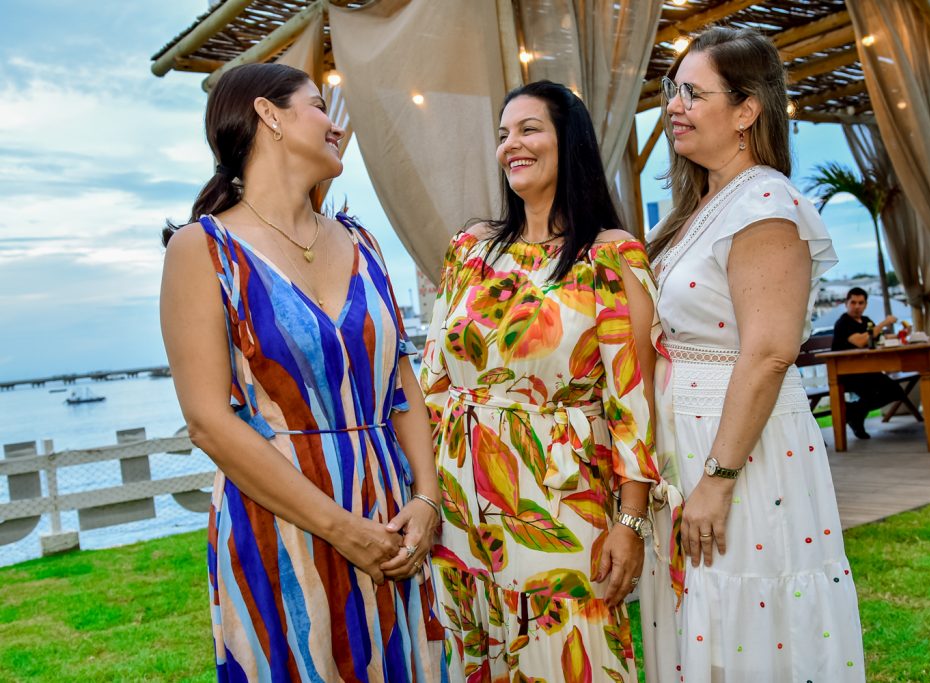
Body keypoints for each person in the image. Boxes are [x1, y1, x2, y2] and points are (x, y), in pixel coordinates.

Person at [160, 63, 445, 681]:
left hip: (391, 517)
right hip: (284, 521)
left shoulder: (363, 243)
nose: (336, 126)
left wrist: (426, 497)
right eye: (319, 106)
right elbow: (208, 422)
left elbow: (402, 387)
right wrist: (341, 529)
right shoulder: (201, 250)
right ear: (270, 115)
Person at [420, 80, 661, 682]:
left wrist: (628, 525)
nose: (512, 145)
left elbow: (634, 404)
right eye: (503, 134)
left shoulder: (610, 256)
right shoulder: (469, 251)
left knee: (568, 653)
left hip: (557, 501)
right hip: (459, 500)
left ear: (568, 142)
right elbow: (431, 380)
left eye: (529, 129)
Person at [645, 27, 865, 682]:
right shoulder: (703, 205)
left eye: (692, 92)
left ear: (746, 111)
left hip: (742, 453)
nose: (674, 106)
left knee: (745, 612)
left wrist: (718, 478)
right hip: (692, 442)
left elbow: (769, 352)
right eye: (671, 90)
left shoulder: (765, 205)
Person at [831, 287, 905, 439]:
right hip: (847, 373)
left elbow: (880, 339)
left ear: (865, 304)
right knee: (874, 392)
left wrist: (902, 334)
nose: (857, 306)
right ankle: (854, 415)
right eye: (853, 302)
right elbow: (860, 341)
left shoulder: (866, 321)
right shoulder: (843, 323)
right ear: (846, 303)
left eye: (861, 303)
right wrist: (884, 323)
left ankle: (852, 412)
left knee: (896, 391)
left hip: (868, 371)